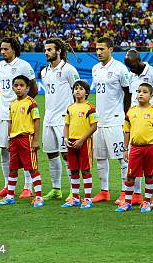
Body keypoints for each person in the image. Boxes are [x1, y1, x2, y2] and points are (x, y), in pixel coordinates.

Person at [0, 37, 38, 199]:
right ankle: (7, 185)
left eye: (6, 49)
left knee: (24, 150)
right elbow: (1, 87)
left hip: (20, 116)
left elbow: (34, 88)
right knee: (3, 149)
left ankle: (27, 187)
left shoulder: (24, 65)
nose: (2, 52)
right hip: (3, 113)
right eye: (1, 49)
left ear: (14, 49)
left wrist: (24, 105)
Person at [124, 49, 153, 208]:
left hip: (151, 122)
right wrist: (127, 114)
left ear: (139, 61)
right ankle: (136, 196)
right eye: (128, 66)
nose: (131, 69)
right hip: (136, 120)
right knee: (134, 164)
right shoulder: (130, 75)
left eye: (132, 65)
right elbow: (128, 96)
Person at [91, 37, 132, 203]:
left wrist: (126, 114)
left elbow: (128, 93)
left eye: (102, 49)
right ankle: (104, 191)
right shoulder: (95, 68)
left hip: (116, 120)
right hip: (99, 120)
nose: (99, 52)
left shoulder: (120, 69)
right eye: (97, 49)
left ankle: (125, 192)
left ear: (111, 49)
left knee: (122, 158)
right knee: (100, 157)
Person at [0, 75, 44, 208]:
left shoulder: (31, 102)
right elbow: (10, 122)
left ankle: (39, 197)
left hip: (26, 138)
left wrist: (36, 140)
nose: (18, 88)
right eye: (16, 86)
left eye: (21, 86)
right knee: (13, 168)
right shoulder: (12, 104)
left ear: (27, 88)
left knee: (32, 168)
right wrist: (9, 139)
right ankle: (10, 196)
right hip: (14, 140)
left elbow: (37, 120)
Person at [41, 37, 80, 201]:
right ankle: (56, 189)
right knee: (51, 154)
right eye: (45, 50)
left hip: (64, 119)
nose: (46, 52)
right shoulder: (44, 71)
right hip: (48, 119)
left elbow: (78, 91)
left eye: (50, 49)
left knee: (66, 155)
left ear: (58, 51)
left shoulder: (69, 70)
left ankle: (74, 190)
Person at [116, 83, 153, 213]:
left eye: (145, 92)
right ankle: (127, 202)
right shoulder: (131, 111)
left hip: (151, 148)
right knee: (130, 176)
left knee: (149, 175)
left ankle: (147, 202)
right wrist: (125, 149)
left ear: (151, 95)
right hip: (135, 148)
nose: (141, 94)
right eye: (139, 91)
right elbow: (126, 131)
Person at [62, 81, 98, 209]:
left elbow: (94, 126)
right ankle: (75, 198)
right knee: (73, 170)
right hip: (71, 142)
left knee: (85, 170)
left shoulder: (90, 107)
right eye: (75, 88)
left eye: (81, 88)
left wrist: (82, 140)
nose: (77, 90)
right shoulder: (70, 108)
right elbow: (66, 125)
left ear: (86, 93)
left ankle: (87, 198)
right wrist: (66, 138)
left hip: (84, 142)